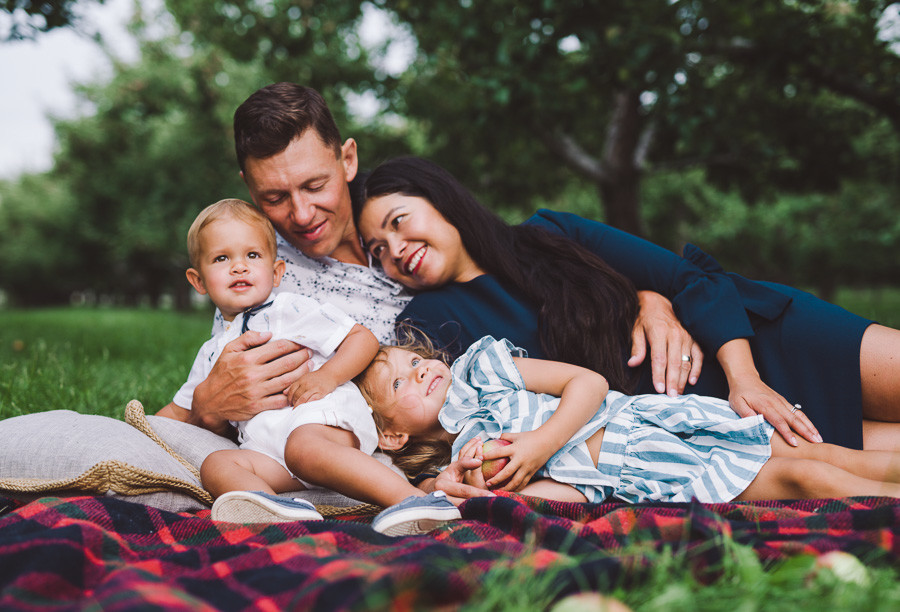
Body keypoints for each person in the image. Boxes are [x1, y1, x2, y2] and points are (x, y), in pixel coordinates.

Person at [158, 83, 698, 501]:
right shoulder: (261, 273)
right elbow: (219, 399)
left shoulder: (400, 218)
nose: (300, 215)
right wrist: (206, 407)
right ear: (249, 190)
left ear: (347, 160)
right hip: (420, 442)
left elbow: (508, 262)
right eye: (274, 198)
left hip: (557, 384)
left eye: (315, 186)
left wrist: (642, 297)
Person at [356, 156, 900, 452]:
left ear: (440, 199)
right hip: (709, 431)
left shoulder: (549, 235)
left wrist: (744, 379)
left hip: (756, 348)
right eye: (378, 250)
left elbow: (690, 277)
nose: (396, 251)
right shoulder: (428, 331)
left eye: (398, 222)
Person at [159, 198, 461, 534]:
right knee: (217, 464)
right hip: (271, 453)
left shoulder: (291, 308)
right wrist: (141, 430)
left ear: (277, 273)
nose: (239, 267)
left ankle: (414, 503)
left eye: (252, 255)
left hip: (324, 418)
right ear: (198, 281)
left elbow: (362, 339)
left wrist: (327, 376)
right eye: (221, 258)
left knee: (304, 448)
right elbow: (178, 412)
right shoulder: (211, 353)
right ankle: (272, 508)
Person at [355, 334, 900, 504]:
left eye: (416, 359)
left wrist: (541, 442)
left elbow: (588, 383)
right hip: (649, 472)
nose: (422, 369)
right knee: (807, 478)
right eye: (401, 381)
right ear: (391, 433)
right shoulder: (469, 459)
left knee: (827, 454)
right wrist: (494, 496)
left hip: (660, 423)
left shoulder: (484, 370)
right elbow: (574, 498)